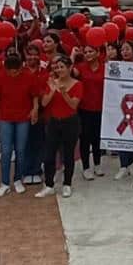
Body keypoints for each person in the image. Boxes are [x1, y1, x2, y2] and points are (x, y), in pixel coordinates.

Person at [0, 51, 39, 197]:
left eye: (16, 71)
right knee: (5, 151)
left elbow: (35, 95)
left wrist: (35, 109)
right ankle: (4, 183)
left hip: (23, 117)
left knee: (20, 150)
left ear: (21, 68)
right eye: (10, 72)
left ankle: (18, 179)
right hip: (5, 117)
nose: (13, 74)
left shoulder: (29, 76)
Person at [36, 55, 83, 198]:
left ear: (69, 68)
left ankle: (67, 184)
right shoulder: (51, 82)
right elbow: (43, 104)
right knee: (49, 155)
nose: (59, 70)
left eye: (62, 67)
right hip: (54, 122)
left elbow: (74, 105)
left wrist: (63, 93)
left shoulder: (77, 84)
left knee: (68, 155)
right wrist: (52, 90)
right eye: (57, 67)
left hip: (70, 122)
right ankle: (49, 185)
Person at [73, 45, 105, 180]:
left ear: (98, 52)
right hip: (84, 109)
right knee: (85, 138)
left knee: (97, 138)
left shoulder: (106, 67)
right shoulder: (80, 67)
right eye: (85, 52)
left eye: (91, 51)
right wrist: (72, 55)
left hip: (101, 109)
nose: (88, 54)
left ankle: (97, 164)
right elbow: (68, 71)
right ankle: (86, 167)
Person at [114, 40, 133, 180]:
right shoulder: (116, 67)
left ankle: (132, 164)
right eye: (122, 49)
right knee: (122, 134)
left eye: (127, 49)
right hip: (121, 107)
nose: (125, 52)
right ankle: (123, 166)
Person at [22, 44, 47, 184]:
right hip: (23, 112)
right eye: (29, 54)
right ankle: (26, 171)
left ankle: (36, 169)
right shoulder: (21, 71)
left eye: (35, 54)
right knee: (25, 142)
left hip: (41, 113)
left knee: (38, 141)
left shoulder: (44, 71)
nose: (32, 57)